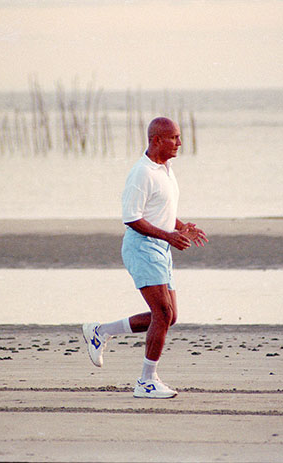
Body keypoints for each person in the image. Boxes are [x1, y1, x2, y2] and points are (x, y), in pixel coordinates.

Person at [82, 116, 208, 399]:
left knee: (169, 316)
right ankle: (146, 382)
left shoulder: (165, 169)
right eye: (173, 137)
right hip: (142, 248)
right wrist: (169, 236)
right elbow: (132, 218)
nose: (179, 142)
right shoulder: (142, 173)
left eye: (179, 136)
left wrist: (181, 227)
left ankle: (100, 331)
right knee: (162, 313)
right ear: (156, 140)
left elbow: (159, 210)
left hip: (160, 248)